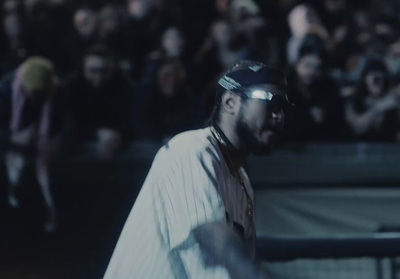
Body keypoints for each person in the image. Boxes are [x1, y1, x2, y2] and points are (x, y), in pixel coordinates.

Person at [104, 60, 287, 278]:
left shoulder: (242, 179)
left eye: (283, 107)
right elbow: (211, 234)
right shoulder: (191, 150)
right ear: (230, 102)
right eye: (269, 101)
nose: (279, 115)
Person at [0, 57, 71, 232]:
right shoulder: (6, 91)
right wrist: (12, 138)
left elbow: (68, 122)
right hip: (11, 147)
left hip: (44, 147)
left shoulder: (58, 90)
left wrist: (56, 140)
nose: (34, 97)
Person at [65, 44, 134, 160]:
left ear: (112, 69)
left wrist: (118, 136)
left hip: (117, 142)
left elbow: (133, 119)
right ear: (84, 68)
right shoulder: (71, 86)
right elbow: (68, 121)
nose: (99, 76)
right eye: (93, 71)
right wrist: (95, 133)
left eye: (104, 71)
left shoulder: (124, 85)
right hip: (81, 143)